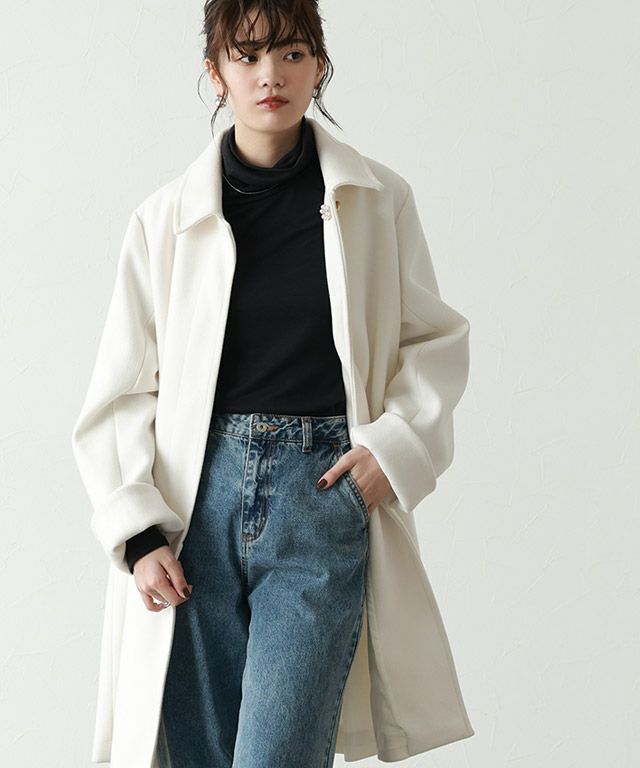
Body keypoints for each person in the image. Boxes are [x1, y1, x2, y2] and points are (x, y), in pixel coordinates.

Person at [71, 1, 474, 766]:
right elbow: (123, 390)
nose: (271, 75)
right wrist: (140, 533)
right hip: (194, 508)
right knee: (203, 755)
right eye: (248, 55)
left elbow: (432, 338)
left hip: (320, 497)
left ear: (319, 66)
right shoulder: (164, 219)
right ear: (215, 72)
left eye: (292, 54)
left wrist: (393, 450)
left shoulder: (375, 200)